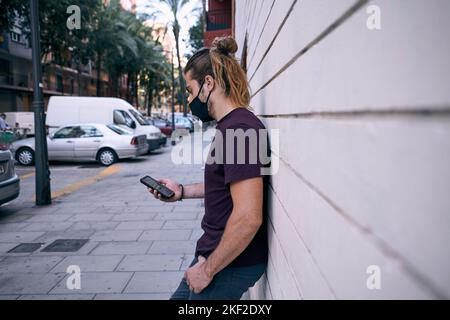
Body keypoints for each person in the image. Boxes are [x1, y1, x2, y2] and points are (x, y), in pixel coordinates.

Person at [148, 36, 270, 300]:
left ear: (209, 84)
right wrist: (180, 191)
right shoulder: (233, 126)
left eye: (191, 90)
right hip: (216, 254)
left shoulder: (240, 130)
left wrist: (207, 270)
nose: (190, 99)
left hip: (229, 263)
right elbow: (229, 186)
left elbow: (249, 217)